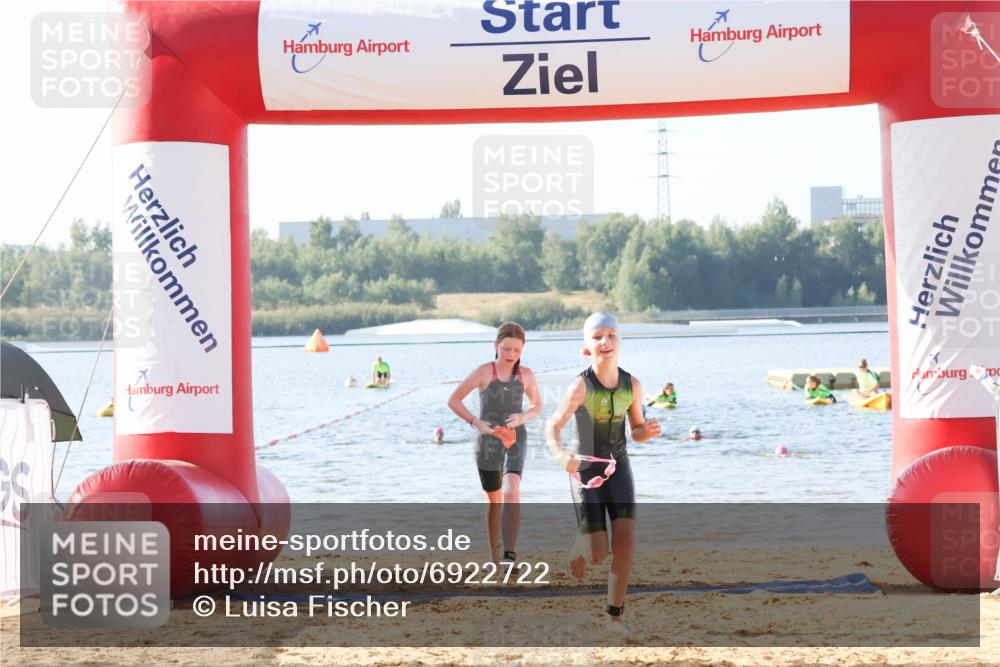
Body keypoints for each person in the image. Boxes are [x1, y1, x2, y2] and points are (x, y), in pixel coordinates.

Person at [545, 312, 661, 635]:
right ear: (587, 346)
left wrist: (647, 432)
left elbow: (636, 430)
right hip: (585, 472)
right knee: (598, 555)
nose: (605, 341)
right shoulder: (580, 386)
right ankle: (581, 544)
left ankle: (614, 616)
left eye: (611, 335)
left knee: (626, 542)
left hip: (619, 467)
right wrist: (559, 455)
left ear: (620, 341)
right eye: (597, 337)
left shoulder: (632, 385)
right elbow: (552, 425)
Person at [448, 322, 541, 564]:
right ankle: (493, 553)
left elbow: (537, 406)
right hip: (487, 442)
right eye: (506, 348)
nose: (511, 354)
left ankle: (509, 554)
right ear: (496, 345)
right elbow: (454, 400)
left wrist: (522, 417)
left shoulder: (526, 375)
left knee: (512, 490)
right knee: (494, 501)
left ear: (522, 350)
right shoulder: (483, 372)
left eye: (517, 350)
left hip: (515, 438)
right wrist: (475, 422)